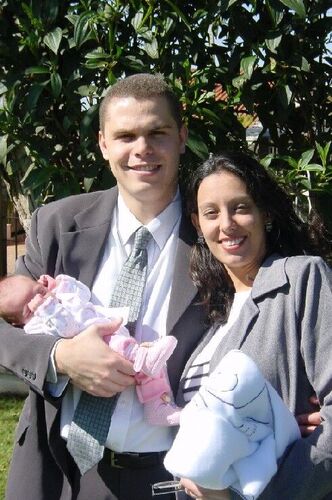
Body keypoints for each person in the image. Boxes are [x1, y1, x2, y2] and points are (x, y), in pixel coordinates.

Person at [0, 73, 208, 500]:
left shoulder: (216, 234)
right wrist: (60, 356)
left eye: (158, 133)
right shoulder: (56, 225)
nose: (141, 149)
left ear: (182, 137)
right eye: (125, 135)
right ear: (103, 144)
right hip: (61, 473)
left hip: (174, 480)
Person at [174, 152, 332, 499]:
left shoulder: (300, 278)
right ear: (198, 225)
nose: (226, 224)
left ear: (266, 213)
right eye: (211, 213)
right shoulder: (212, 315)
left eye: (240, 207)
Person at [0, 273, 180, 427]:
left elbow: (83, 294)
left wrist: (60, 284)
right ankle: (142, 357)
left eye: (39, 292)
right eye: (29, 309)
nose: (39, 301)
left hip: (112, 330)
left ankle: (156, 405)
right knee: (137, 356)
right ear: (18, 321)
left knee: (153, 371)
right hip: (102, 345)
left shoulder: (57, 295)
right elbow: (67, 329)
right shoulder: (36, 324)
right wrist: (46, 309)